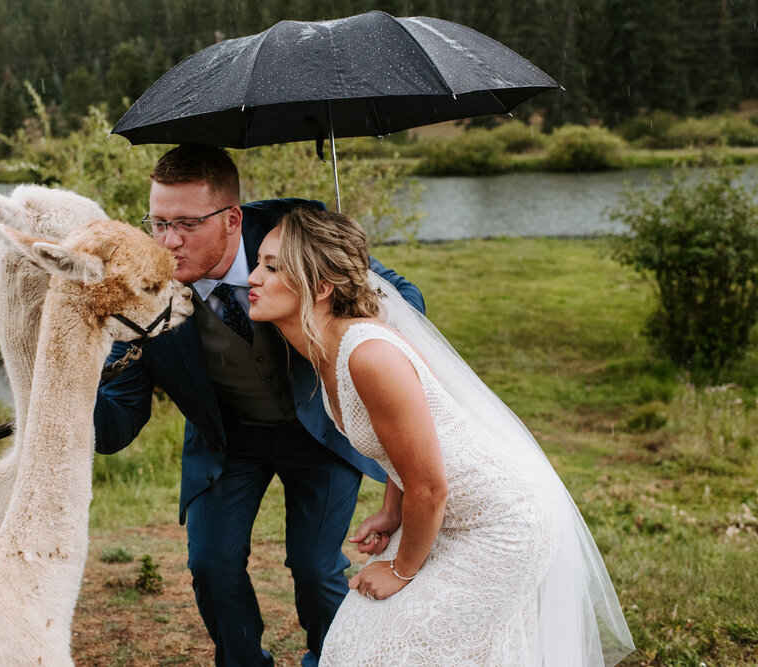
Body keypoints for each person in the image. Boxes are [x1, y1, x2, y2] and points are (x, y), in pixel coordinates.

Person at [246, 207, 636, 666]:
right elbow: (401, 450)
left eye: (272, 267)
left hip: (501, 524)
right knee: (352, 641)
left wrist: (400, 568)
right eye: (258, 262)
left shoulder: (368, 355)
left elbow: (430, 486)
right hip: (441, 513)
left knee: (391, 653)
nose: (251, 277)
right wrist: (392, 511)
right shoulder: (326, 352)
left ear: (322, 286)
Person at [92, 143, 426, 666]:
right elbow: (113, 426)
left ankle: (335, 659)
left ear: (231, 219)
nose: (167, 241)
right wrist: (60, 384)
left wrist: (348, 334)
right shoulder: (143, 286)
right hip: (227, 441)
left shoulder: (293, 233)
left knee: (316, 567)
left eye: (185, 223)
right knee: (212, 565)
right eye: (156, 222)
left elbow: (404, 296)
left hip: (319, 430)